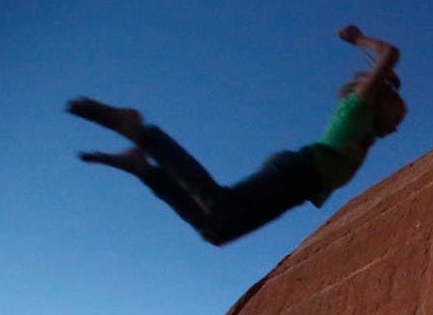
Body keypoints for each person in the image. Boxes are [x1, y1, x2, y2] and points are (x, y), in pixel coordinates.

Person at [66, 25, 404, 246]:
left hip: (299, 189)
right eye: (397, 115)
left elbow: (386, 79)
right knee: (219, 203)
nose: (398, 125)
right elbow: (389, 55)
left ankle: (144, 168)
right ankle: (141, 132)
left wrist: (387, 80)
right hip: (295, 172)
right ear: (380, 103)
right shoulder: (356, 112)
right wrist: (359, 40)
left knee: (217, 231)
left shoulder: (369, 130)